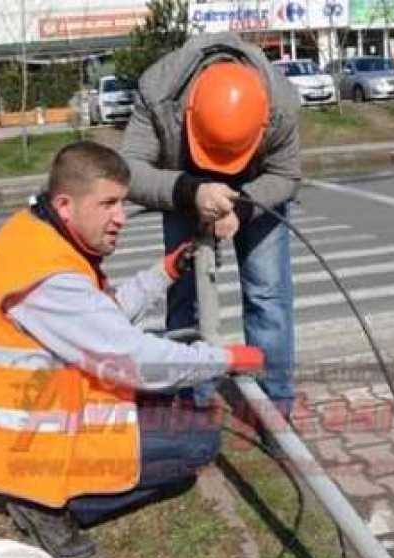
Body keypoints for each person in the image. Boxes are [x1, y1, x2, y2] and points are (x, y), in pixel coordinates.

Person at [0, 141, 264, 558]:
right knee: (200, 440)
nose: (121, 218)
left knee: (177, 400)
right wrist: (226, 359)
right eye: (108, 204)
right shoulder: (48, 279)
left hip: (34, 422)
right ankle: (49, 504)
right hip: (31, 448)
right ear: (65, 204)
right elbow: (137, 361)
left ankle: (45, 490)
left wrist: (163, 273)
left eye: (123, 203)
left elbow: (101, 315)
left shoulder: (35, 235)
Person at [120, 32, 301, 431]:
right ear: (187, 113)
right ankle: (190, 404)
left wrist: (244, 204)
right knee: (184, 297)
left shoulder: (281, 102)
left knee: (268, 295)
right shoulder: (158, 92)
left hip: (255, 189)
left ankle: (276, 408)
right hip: (184, 184)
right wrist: (189, 191)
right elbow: (128, 168)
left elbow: (287, 174)